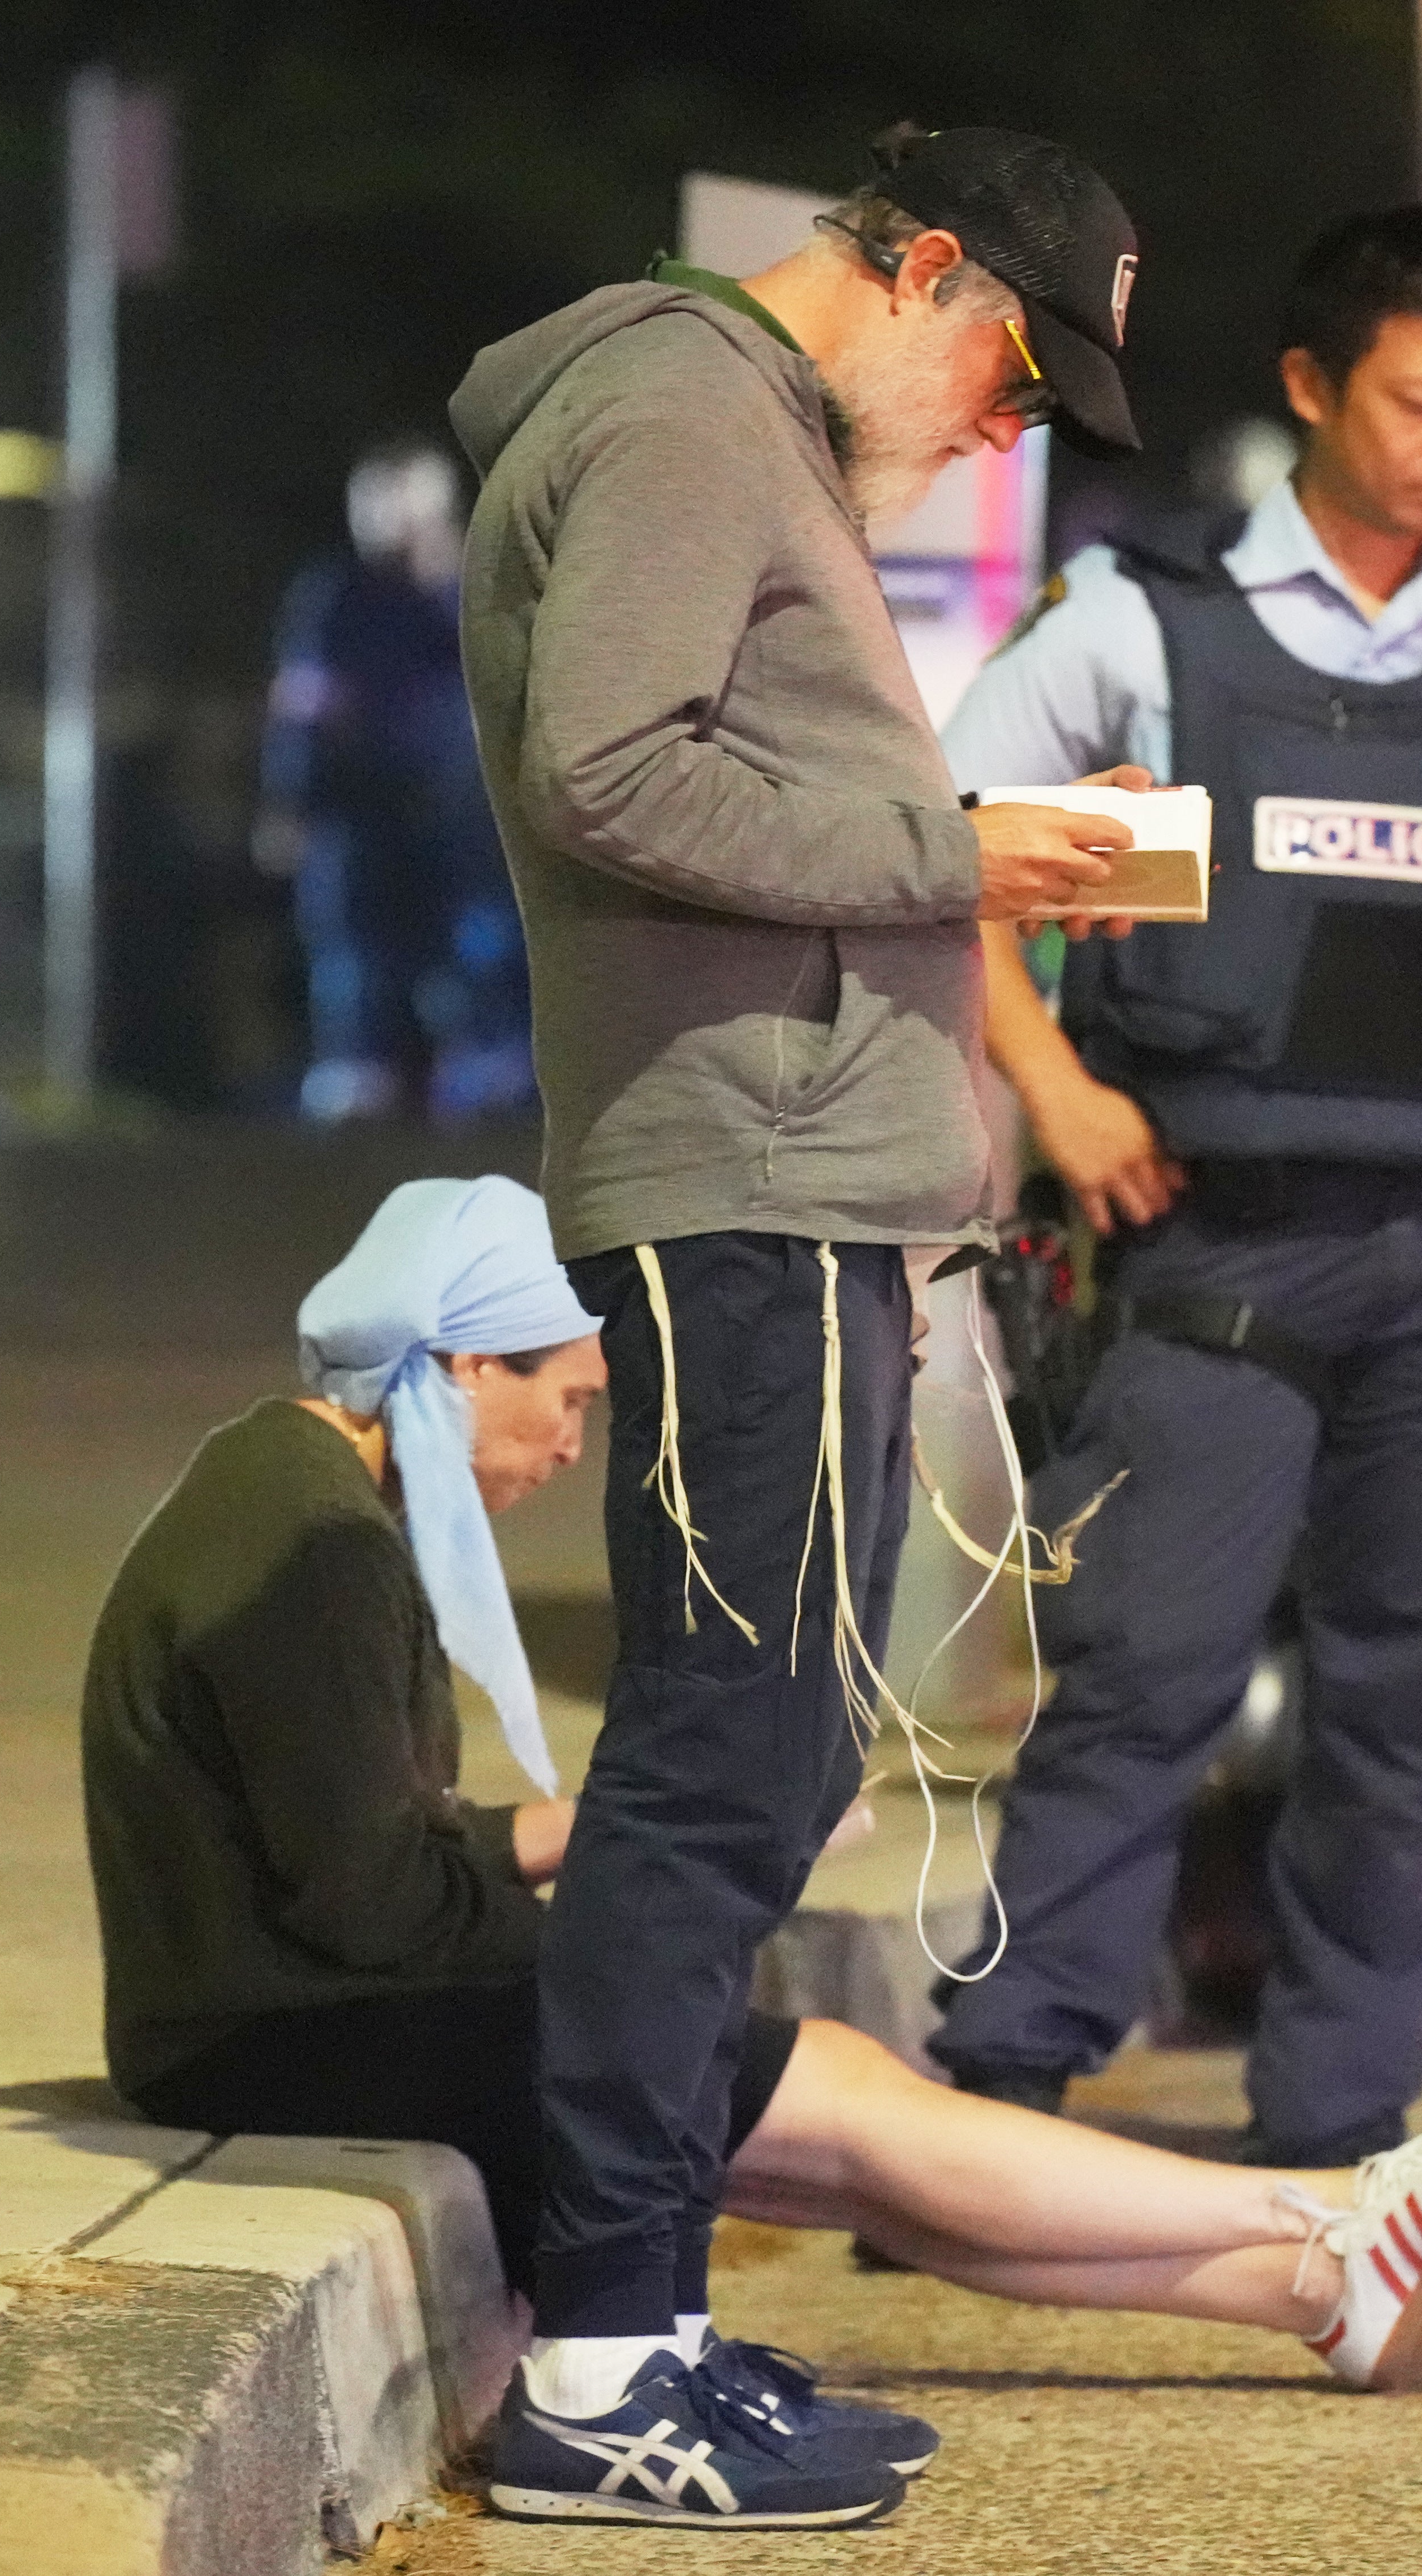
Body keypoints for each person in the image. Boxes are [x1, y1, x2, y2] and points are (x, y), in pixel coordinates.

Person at [79, 1178, 1422, 2532]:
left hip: (272, 2001)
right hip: (267, 2033)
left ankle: (1321, 2289)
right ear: (471, 1365)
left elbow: (358, 1860)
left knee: (820, 2129)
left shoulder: (296, 1498)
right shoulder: (316, 1549)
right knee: (837, 2097)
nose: (569, 1444)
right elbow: (372, 1903)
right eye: (570, 1399)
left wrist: (601, 1840)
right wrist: (625, 1870)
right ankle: (1326, 2206)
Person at [442, 120, 1165, 2528]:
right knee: (711, 1761)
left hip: (802, 1192)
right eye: (1011, 370)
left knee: (755, 1763)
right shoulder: (671, 408)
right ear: (916, 266)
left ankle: (650, 2321)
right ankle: (601, 2357)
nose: (1005, 424)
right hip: (735, 1188)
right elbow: (607, 764)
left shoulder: (736, 432)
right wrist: (958, 846)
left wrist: (970, 861)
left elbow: (709, 771)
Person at [925, 206, 1422, 2168]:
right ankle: (996, 2110)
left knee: (1400, 1704)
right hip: (1216, 1244)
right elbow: (939, 862)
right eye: (1419, 399)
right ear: (1310, 390)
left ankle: (1339, 2139)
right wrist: (1061, 1091)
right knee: (1140, 1681)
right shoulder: (1144, 619)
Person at [256, 441, 533, 1127]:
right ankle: (362, 1071)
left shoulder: (481, 584)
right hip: (361, 808)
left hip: (466, 807)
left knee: (481, 940)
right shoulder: (337, 597)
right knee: (357, 946)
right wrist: (289, 798)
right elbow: (306, 704)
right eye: (373, 502)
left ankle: (489, 1066)